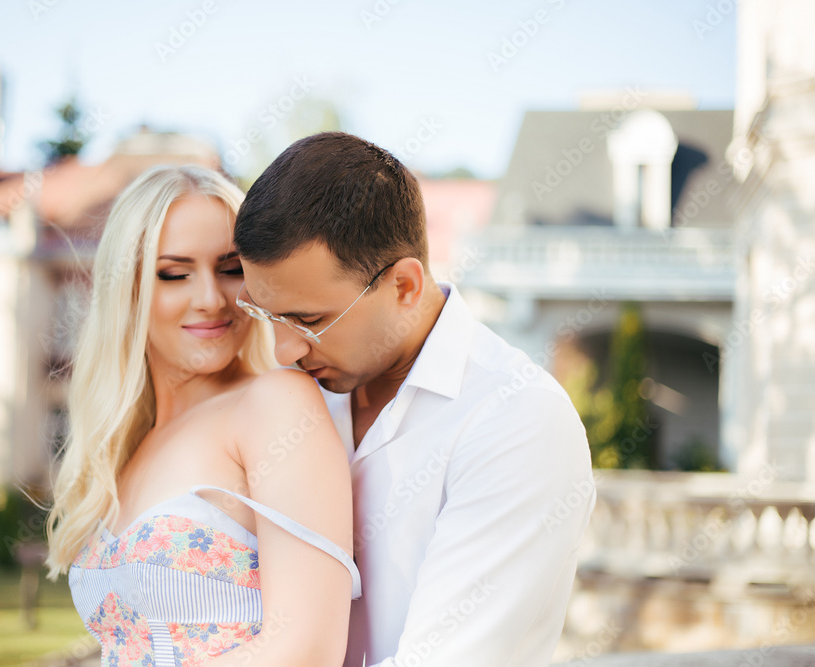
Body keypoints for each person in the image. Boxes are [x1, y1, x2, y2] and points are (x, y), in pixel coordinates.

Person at [233, 132, 596, 666]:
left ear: (404, 285)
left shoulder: (517, 422)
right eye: (267, 315)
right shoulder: (291, 400)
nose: (284, 350)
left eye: (307, 320)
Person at [44, 164, 360, 666]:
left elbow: (307, 649)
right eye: (175, 274)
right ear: (127, 289)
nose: (211, 299)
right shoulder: (128, 443)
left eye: (231, 269)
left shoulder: (274, 404)